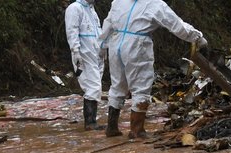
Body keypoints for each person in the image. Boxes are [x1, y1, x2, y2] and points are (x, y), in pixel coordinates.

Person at [100, 0, 208, 139]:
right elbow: (176, 25)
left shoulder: (119, 1)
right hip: (136, 45)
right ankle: (137, 131)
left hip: (116, 44)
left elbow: (108, 23)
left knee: (117, 86)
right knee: (141, 87)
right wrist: (197, 37)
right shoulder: (154, 3)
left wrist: (102, 46)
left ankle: (112, 127)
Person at [65, 0, 104, 130]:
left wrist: (103, 48)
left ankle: (92, 120)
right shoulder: (75, 8)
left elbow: (98, 32)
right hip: (84, 54)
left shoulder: (92, 11)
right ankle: (90, 122)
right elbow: (72, 31)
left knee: (95, 86)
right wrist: (75, 50)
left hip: (95, 54)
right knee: (93, 86)